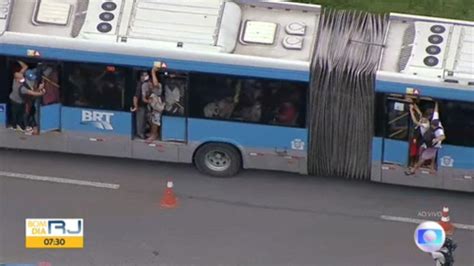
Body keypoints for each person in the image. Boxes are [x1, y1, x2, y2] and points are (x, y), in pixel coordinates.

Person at [9, 61, 45, 132]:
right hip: (17, 102)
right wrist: (41, 93)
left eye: (22, 76)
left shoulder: (16, 79)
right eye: (21, 77)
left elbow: (25, 67)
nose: (23, 77)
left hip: (16, 100)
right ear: (17, 79)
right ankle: (16, 126)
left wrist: (17, 59)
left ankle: (18, 125)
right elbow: (32, 93)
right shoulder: (22, 88)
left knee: (19, 114)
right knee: (18, 115)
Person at [144, 67, 164, 142]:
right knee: (152, 120)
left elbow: (155, 84)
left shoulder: (159, 85)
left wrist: (153, 72)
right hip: (153, 106)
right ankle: (152, 133)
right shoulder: (151, 85)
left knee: (155, 121)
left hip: (157, 107)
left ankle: (154, 135)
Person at [131, 71, 152, 139]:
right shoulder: (139, 85)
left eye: (147, 75)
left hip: (145, 106)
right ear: (141, 77)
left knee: (144, 120)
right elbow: (135, 97)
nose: (146, 77)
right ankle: (140, 134)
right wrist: (136, 106)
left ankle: (143, 133)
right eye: (145, 75)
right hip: (140, 106)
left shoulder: (145, 84)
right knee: (140, 120)